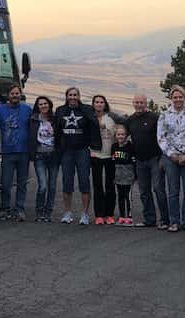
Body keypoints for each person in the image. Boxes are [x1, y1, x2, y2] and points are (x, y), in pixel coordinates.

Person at [54, 87, 101, 225]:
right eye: (70, 95)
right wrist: (58, 147)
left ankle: (85, 214)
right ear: (66, 96)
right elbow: (57, 130)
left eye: (75, 95)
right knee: (67, 182)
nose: (72, 97)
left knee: (84, 182)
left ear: (79, 96)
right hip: (66, 151)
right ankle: (67, 212)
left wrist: (94, 147)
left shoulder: (86, 109)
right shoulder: (60, 110)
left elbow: (94, 126)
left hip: (82, 150)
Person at [157, 85, 185, 233]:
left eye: (180, 96)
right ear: (171, 98)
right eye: (175, 97)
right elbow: (161, 137)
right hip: (171, 158)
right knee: (173, 191)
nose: (178, 99)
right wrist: (172, 155)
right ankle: (174, 221)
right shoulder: (164, 115)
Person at [0, 84, 33, 222]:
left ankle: (19, 209)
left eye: (17, 93)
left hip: (23, 152)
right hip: (7, 152)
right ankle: (5, 209)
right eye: (12, 93)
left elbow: (33, 129)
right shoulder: (0, 111)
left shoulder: (28, 110)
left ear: (20, 95)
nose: (15, 96)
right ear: (8, 95)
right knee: (6, 183)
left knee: (22, 183)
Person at [125, 94, 168, 228]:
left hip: (155, 158)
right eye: (136, 102)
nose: (139, 105)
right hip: (139, 160)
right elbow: (123, 135)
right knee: (144, 191)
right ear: (133, 103)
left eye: (141, 102)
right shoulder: (130, 120)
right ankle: (149, 219)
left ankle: (165, 220)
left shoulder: (154, 117)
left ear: (146, 103)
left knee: (158, 189)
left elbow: (164, 135)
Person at [28, 95, 59, 223]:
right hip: (39, 156)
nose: (43, 106)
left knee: (52, 186)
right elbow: (30, 137)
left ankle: (48, 212)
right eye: (40, 104)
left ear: (49, 105)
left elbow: (60, 137)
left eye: (45, 104)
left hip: (53, 156)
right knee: (43, 186)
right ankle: (39, 211)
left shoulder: (55, 120)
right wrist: (32, 154)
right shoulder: (33, 120)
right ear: (37, 107)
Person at [90, 94, 117, 225]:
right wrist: (90, 151)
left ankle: (109, 214)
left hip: (109, 155)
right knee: (97, 186)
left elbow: (117, 136)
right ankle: (99, 215)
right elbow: (86, 136)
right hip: (96, 155)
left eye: (101, 102)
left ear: (105, 104)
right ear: (93, 104)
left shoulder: (111, 119)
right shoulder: (90, 118)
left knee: (110, 186)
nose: (99, 104)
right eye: (97, 102)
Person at [111, 125, 136, 226]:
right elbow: (112, 162)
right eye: (118, 134)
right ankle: (122, 216)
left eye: (122, 134)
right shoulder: (114, 146)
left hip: (128, 174)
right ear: (115, 135)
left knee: (128, 196)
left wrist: (135, 175)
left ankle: (129, 217)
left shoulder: (130, 146)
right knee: (120, 196)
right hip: (118, 174)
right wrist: (112, 175)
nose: (120, 136)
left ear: (126, 135)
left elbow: (134, 162)